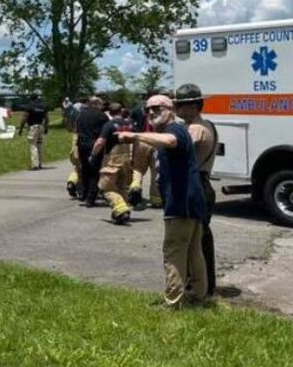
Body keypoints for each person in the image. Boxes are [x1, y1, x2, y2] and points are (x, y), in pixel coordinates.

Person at [119, 94, 207, 307]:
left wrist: (135, 136)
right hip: (191, 201)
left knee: (173, 251)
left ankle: (173, 301)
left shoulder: (173, 130)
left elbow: (170, 141)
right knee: (193, 250)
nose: (151, 112)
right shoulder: (173, 129)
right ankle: (197, 295)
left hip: (181, 202)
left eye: (157, 108)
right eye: (148, 109)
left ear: (171, 110)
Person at [174, 83, 219, 297]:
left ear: (192, 106)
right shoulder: (209, 124)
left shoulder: (194, 129)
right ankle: (206, 285)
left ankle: (200, 286)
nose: (176, 109)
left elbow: (179, 153)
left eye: (180, 105)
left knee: (194, 240)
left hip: (197, 184)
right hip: (204, 183)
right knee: (201, 238)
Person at [91, 102, 135, 224]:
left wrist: (93, 154)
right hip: (128, 158)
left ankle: (120, 208)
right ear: (122, 111)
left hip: (112, 159)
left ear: (110, 113)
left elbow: (100, 141)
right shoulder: (131, 124)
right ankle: (121, 211)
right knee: (123, 186)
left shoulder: (109, 125)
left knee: (105, 187)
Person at [75, 96, 108, 206]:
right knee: (94, 171)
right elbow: (106, 132)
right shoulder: (102, 116)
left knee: (84, 169)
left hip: (82, 144)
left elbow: (77, 128)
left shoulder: (81, 114)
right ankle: (91, 198)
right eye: (101, 105)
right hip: (94, 145)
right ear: (97, 104)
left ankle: (83, 193)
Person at [17, 95, 49, 170]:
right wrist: (46, 128)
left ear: (30, 99)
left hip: (33, 128)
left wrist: (21, 129)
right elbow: (47, 118)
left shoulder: (29, 106)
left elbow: (24, 118)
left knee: (33, 145)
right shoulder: (43, 106)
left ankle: (35, 165)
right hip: (41, 127)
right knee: (40, 145)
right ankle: (40, 163)